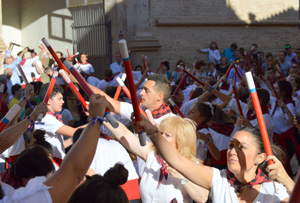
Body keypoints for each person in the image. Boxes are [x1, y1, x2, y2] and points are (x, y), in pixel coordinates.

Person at [136, 118, 293, 202]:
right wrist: (151, 131)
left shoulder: (275, 190)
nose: (232, 151)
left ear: (260, 158)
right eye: (231, 145)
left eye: (241, 147)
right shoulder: (219, 179)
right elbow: (176, 159)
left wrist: (287, 180)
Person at [0, 94, 115, 202]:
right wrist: (96, 118)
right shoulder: (20, 198)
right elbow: (75, 171)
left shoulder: (8, 186)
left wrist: (28, 104)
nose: (63, 101)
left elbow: (6, 131)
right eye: (59, 98)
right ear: (31, 179)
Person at [105, 116, 209, 202]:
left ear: (182, 141)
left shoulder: (192, 164)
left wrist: (183, 178)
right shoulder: (152, 154)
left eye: (167, 135)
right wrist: (103, 115)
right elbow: (124, 134)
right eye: (161, 133)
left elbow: (202, 198)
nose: (161, 137)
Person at [72, 128, 140, 202]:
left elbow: (90, 176)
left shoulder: (86, 146)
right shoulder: (113, 142)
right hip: (131, 188)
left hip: (109, 194)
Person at [34, 84, 86, 166]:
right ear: (49, 100)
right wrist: (95, 121)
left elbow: (61, 145)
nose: (63, 101)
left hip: (56, 162)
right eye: (59, 99)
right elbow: (75, 132)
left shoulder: (48, 117)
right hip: (52, 164)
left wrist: (73, 139)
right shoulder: (46, 118)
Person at [270, 80, 296, 176]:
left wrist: (285, 108)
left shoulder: (289, 104)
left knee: (284, 165)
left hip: (287, 140)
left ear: (283, 92)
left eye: (276, 88)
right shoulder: (274, 101)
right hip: (276, 139)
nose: (273, 90)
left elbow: (292, 122)